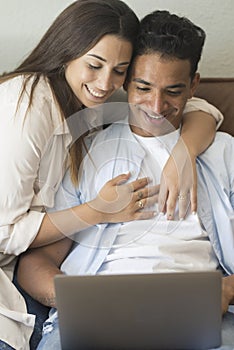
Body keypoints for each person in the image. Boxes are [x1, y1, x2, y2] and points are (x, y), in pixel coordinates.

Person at [0, 0, 224, 348]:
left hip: (197, 315)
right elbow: (25, 250)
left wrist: (184, 150)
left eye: (174, 91)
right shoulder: (79, 144)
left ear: (193, 85)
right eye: (143, 87)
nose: (155, 105)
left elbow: (196, 109)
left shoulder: (222, 153)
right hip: (94, 311)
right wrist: (80, 298)